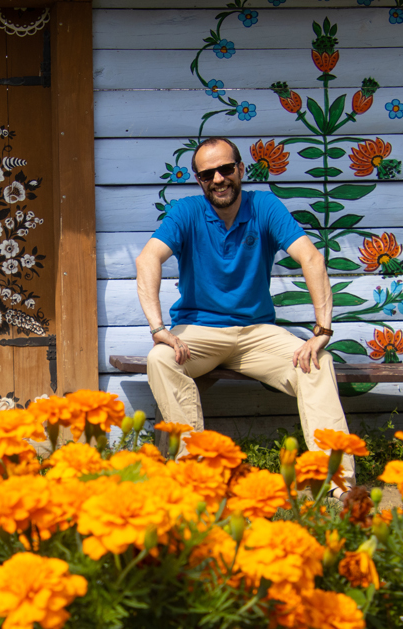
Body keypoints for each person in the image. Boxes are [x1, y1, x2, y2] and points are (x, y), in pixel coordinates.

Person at [134, 136, 355, 488]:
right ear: (199, 180)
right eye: (207, 174)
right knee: (160, 359)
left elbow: (311, 258)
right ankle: (195, 474)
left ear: (240, 169)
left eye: (225, 169)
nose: (218, 179)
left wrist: (323, 331)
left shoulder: (264, 206)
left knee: (317, 362)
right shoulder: (186, 212)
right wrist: (158, 328)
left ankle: (338, 483)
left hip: (257, 333)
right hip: (199, 331)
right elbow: (147, 259)